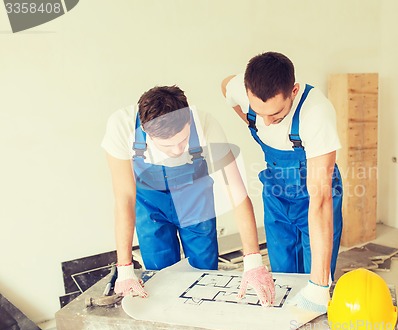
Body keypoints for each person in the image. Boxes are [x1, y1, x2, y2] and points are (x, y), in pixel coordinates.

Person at [102, 86, 274, 304]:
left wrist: (253, 261)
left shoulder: (206, 125)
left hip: (195, 200)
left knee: (205, 273)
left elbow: (237, 193)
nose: (176, 150)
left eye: (183, 141)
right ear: (146, 131)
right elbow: (124, 197)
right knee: (159, 276)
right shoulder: (121, 126)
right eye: (167, 145)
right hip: (150, 205)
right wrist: (125, 269)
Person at [221, 52, 343, 313]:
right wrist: (249, 120)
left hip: (314, 194)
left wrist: (320, 286)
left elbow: (320, 200)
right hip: (276, 194)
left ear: (294, 91)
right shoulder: (243, 92)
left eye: (275, 114)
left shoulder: (317, 114)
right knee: (283, 273)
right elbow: (225, 85)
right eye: (258, 112)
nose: (266, 121)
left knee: (317, 273)